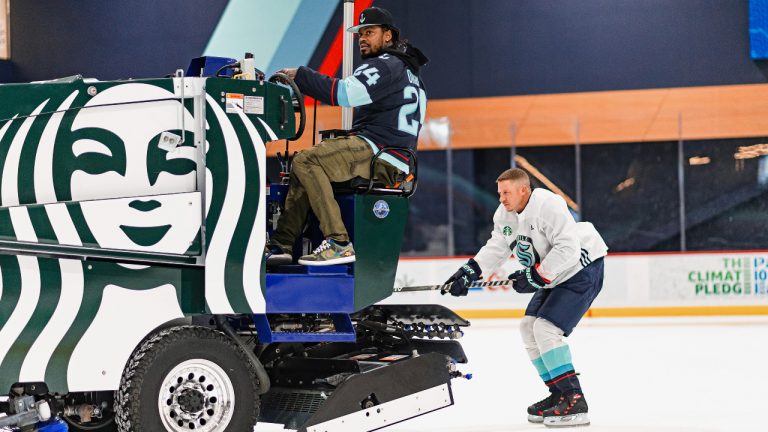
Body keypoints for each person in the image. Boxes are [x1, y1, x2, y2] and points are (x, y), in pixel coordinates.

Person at [266, 6, 429, 266]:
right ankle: (281, 246)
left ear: (388, 36)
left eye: (370, 32)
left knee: (308, 161)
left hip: (379, 152)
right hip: (394, 157)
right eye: (360, 34)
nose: (362, 38)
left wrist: (302, 76)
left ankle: (338, 242)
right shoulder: (411, 75)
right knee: (304, 165)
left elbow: (346, 94)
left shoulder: (387, 65)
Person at [445, 168, 608, 428]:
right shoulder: (505, 215)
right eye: (499, 193)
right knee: (528, 327)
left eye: (506, 192)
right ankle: (558, 392)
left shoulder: (549, 205)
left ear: (524, 190)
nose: (501, 199)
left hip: (581, 267)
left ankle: (574, 397)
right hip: (553, 273)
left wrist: (535, 276)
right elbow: (497, 246)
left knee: (546, 329)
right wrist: (470, 271)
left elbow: (569, 248)